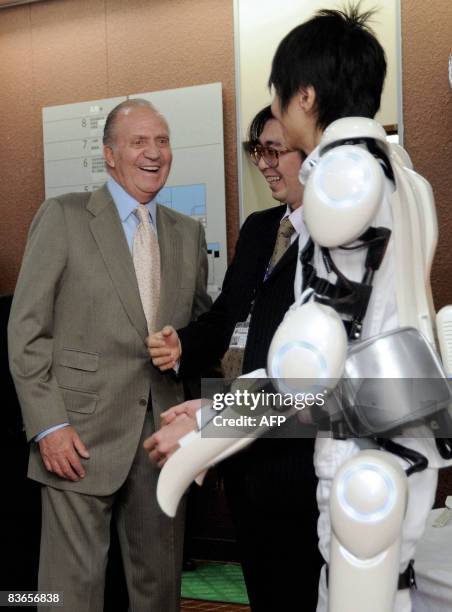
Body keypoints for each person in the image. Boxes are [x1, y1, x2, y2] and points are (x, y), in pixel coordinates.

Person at [8, 98, 211, 612]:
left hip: (162, 440)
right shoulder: (63, 217)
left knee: (159, 590)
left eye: (162, 141)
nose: (154, 152)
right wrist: (48, 426)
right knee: (66, 594)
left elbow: (199, 336)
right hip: (76, 439)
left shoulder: (188, 235)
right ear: (110, 155)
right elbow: (26, 330)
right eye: (139, 141)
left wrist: (182, 350)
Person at [146, 107, 323, 611]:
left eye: (276, 151)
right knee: (265, 588)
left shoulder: (340, 243)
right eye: (258, 152)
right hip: (243, 456)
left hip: (302, 454)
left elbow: (329, 380)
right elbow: (227, 318)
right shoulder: (260, 228)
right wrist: (183, 344)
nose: (265, 164)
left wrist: (214, 414)